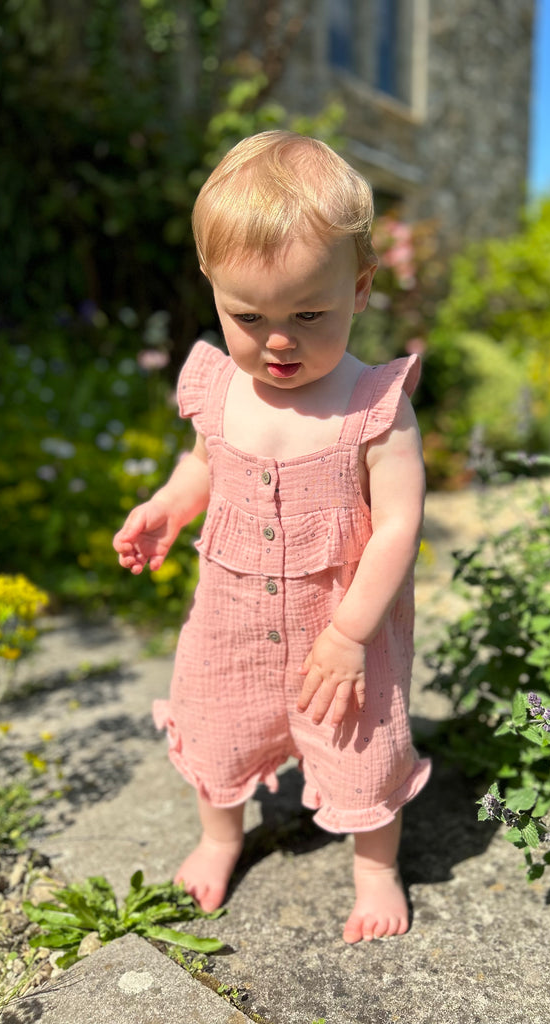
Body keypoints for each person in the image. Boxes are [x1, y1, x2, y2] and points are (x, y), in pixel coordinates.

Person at [113, 130, 430, 944]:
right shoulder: (222, 388)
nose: (277, 340)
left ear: (360, 290)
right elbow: (203, 466)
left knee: (366, 747)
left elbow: (398, 524)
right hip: (231, 622)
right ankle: (221, 836)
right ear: (215, 293)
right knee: (216, 721)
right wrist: (168, 506)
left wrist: (354, 631)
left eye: (308, 314)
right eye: (248, 316)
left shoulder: (375, 406)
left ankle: (375, 866)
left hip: (340, 628)